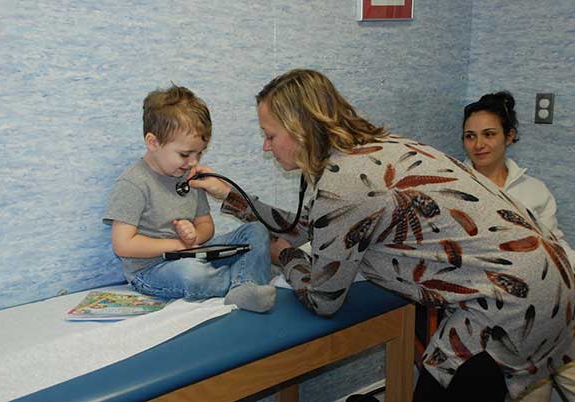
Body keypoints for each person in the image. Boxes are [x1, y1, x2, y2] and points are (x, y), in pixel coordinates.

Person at [189, 69, 575, 402]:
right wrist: (233, 197)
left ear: (300, 130)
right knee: (438, 385)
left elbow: (324, 300)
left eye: (270, 135)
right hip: (538, 277)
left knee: (450, 390)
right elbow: (316, 225)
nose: (265, 146)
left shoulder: (344, 185)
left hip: (514, 300)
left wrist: (287, 257)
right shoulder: (374, 150)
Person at [102, 84, 275, 313]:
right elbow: (123, 244)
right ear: (153, 142)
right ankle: (248, 280)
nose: (193, 162)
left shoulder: (189, 177)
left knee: (255, 231)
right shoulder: (133, 184)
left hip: (194, 252)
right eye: (185, 154)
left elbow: (206, 226)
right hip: (152, 270)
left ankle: (242, 286)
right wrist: (177, 245)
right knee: (191, 274)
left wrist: (194, 236)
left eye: (199, 153)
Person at [463, 91, 575, 401]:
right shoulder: (454, 190)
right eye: (470, 136)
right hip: (501, 314)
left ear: (509, 136)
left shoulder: (534, 190)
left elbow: (557, 247)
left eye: (489, 134)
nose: (478, 144)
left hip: (554, 308)